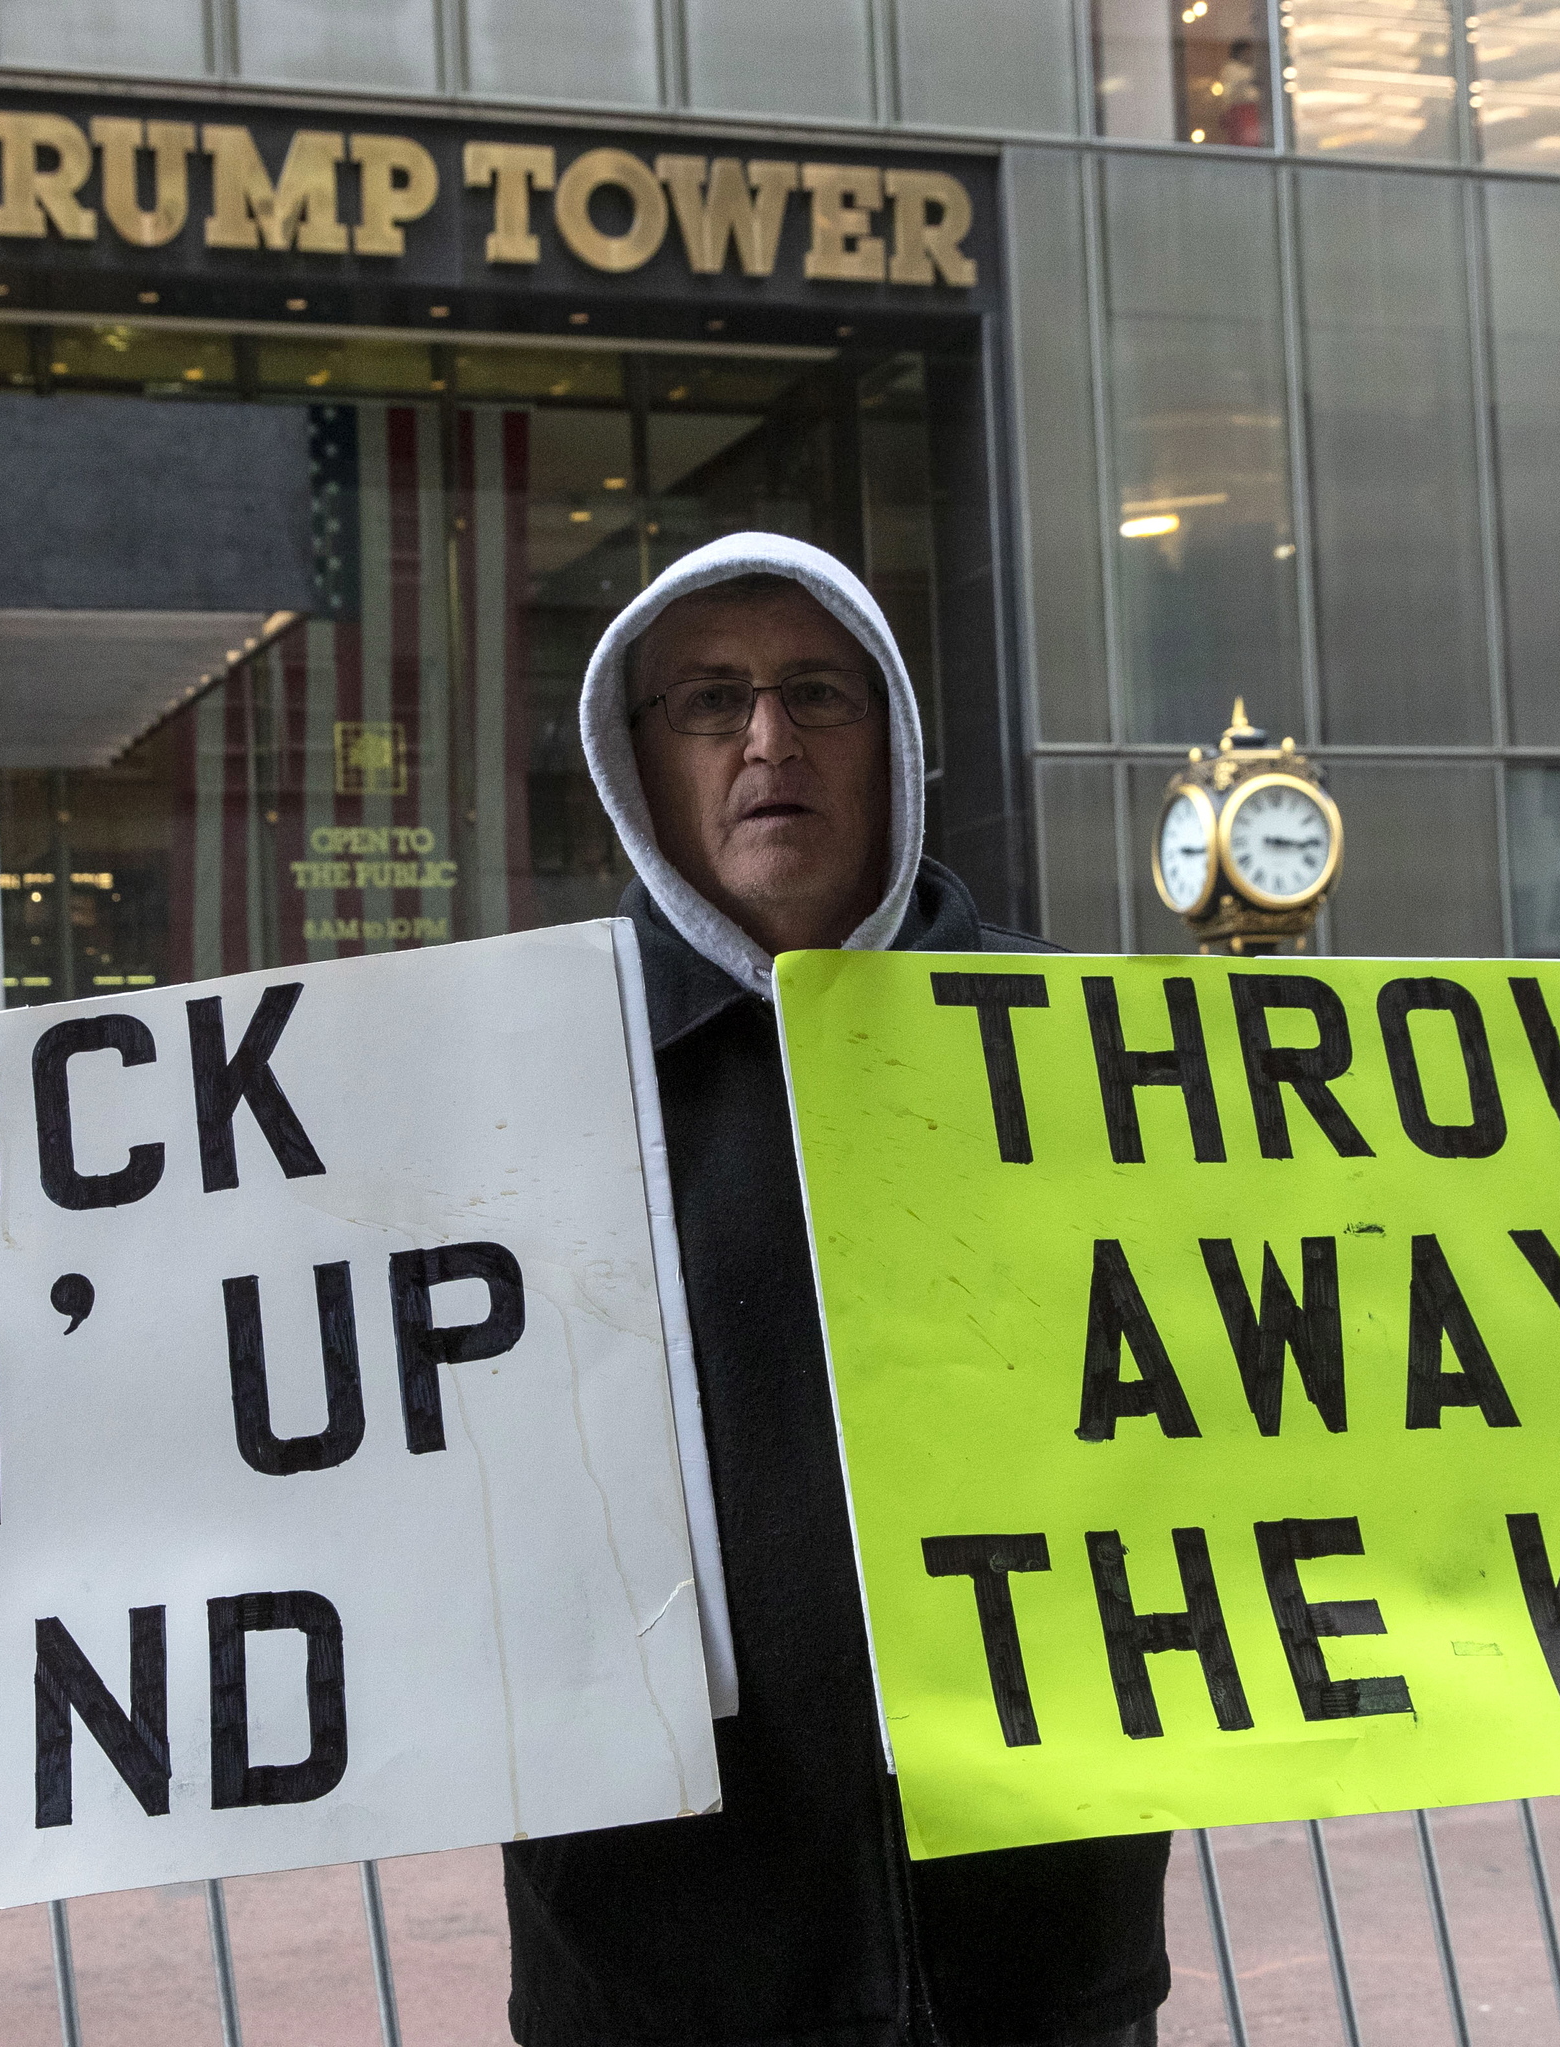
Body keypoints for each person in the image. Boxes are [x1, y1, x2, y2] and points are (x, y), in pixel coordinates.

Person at [501, 533, 1172, 2045]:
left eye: (818, 692)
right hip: (657, 1978)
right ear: (636, 759)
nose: (766, 740)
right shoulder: (519, 1091)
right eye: (708, 702)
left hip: (1042, 1960)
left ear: (896, 746)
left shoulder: (1082, 1066)